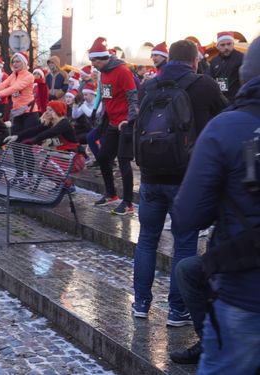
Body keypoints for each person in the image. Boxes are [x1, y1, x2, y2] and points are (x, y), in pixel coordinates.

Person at [172, 36, 260, 374]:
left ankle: (204, 338)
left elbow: (187, 215)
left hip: (246, 290)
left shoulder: (227, 127)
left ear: (245, 76)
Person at [132, 40, 228, 329]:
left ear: (167, 59)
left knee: (147, 239)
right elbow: (225, 117)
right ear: (195, 61)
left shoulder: (148, 85)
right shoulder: (204, 85)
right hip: (186, 179)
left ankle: (140, 304)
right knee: (184, 244)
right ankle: (177, 311)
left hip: (150, 176)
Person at [88, 37, 138, 215]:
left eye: (95, 60)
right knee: (102, 157)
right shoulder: (103, 73)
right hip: (112, 122)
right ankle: (111, 194)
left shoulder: (122, 71)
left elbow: (133, 97)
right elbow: (107, 97)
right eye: (91, 60)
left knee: (124, 162)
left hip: (125, 123)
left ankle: (128, 202)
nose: (93, 64)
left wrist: (130, 120)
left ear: (104, 58)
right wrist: (101, 116)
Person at [0, 52, 39, 178]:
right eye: (13, 62)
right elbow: (3, 85)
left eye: (18, 61)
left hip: (30, 113)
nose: (15, 64)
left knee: (26, 145)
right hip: (17, 113)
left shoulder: (29, 76)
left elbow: (15, 88)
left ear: (24, 63)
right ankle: (19, 173)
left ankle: (30, 175)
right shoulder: (13, 75)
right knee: (15, 145)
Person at [206, 31, 244, 103]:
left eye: (229, 44)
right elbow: (210, 78)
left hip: (237, 100)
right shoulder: (214, 61)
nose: (226, 47)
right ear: (217, 46)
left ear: (233, 44)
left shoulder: (241, 58)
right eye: (222, 45)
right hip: (220, 101)